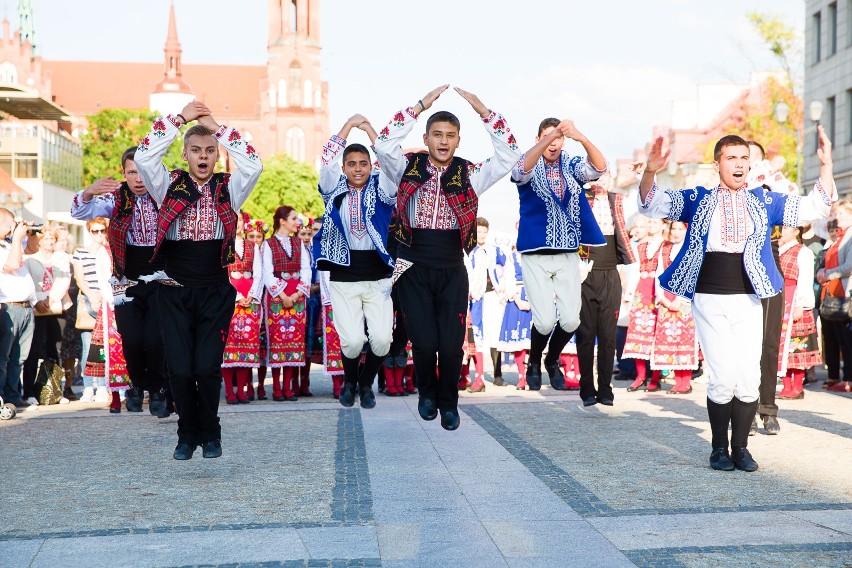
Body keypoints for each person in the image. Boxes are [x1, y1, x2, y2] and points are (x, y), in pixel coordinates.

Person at [638, 128, 836, 472]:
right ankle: (718, 449)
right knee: (723, 376)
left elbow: (813, 206)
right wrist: (651, 171)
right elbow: (652, 203)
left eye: (745, 158)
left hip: (749, 298)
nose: (740, 164)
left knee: (748, 377)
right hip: (709, 297)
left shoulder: (764, 199)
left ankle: (740, 448)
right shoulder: (698, 198)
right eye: (731, 158)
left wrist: (826, 164)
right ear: (718, 165)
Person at [373, 85, 519, 430]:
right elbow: (382, 143)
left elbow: (510, 154)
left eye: (450, 135)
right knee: (423, 342)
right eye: (436, 134)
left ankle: (449, 403)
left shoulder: (469, 174)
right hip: (412, 263)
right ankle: (427, 394)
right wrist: (420, 106)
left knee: (451, 346)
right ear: (425, 138)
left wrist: (483, 110)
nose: (443, 141)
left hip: (452, 265)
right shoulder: (405, 167)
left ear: (458, 140)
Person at [135, 100, 262, 459]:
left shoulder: (229, 188)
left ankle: (211, 433)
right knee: (179, 368)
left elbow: (254, 163)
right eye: (196, 151)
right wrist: (179, 119)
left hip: (214, 289)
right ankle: (186, 434)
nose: (203, 157)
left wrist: (218, 127)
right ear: (186, 154)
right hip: (174, 290)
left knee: (206, 367)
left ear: (217, 155)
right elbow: (144, 158)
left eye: (209, 151)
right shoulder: (167, 185)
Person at [71, 148, 171, 417]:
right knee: (132, 338)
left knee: (154, 338)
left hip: (160, 277)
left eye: (143, 171)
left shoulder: (165, 196)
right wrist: (90, 191)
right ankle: (137, 384)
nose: (138, 179)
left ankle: (158, 389)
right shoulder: (115, 198)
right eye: (131, 172)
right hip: (126, 279)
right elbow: (79, 212)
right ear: (124, 174)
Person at [510, 117, 607, 391]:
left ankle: (552, 360)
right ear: (538, 138)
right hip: (535, 252)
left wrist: (579, 136)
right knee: (543, 320)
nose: (553, 143)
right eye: (548, 137)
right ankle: (533, 361)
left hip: (566, 251)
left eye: (558, 138)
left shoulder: (572, 164)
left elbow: (600, 167)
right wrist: (545, 140)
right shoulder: (529, 162)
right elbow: (520, 172)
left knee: (571, 319)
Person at [315, 114, 396, 408]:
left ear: (370, 165)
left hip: (378, 276)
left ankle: (365, 383)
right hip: (343, 275)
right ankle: (350, 381)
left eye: (363, 163)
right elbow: (325, 161)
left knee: (382, 340)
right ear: (344, 167)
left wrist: (370, 131)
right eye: (352, 164)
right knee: (351, 341)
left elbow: (390, 163)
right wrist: (347, 127)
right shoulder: (333, 190)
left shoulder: (383, 189)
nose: (358, 169)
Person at [576, 171, 636, 406]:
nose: (600, 181)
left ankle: (605, 389)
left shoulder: (618, 200)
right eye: (596, 176)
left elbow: (642, 200)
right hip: (585, 271)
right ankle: (587, 388)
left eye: (605, 176)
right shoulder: (580, 198)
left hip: (610, 271)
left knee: (608, 336)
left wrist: (641, 173)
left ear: (610, 178)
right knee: (586, 334)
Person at [262, 206, 311, 402]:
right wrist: (283, 295)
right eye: (293, 218)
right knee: (278, 341)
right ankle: (276, 387)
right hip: (277, 296)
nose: (296, 222)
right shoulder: (268, 244)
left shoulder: (299, 243)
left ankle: (288, 387)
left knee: (294, 341)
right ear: (282, 221)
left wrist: (298, 293)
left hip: (297, 294)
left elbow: (306, 269)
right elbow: (267, 272)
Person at [22, 227, 72, 405]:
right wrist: (37, 301)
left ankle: (56, 391)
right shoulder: (29, 259)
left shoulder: (62, 258)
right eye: (47, 238)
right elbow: (27, 281)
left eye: (53, 238)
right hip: (36, 307)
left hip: (56, 305)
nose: (51, 241)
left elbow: (64, 280)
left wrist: (51, 299)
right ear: (40, 241)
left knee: (56, 349)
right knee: (33, 349)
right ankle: (28, 392)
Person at [651, 221, 698, 393]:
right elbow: (659, 273)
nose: (677, 232)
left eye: (680, 229)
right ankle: (677, 380)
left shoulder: (692, 249)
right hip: (666, 296)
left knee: (684, 339)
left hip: (683, 299)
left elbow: (692, 274)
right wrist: (661, 297)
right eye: (674, 229)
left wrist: (680, 299)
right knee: (670, 339)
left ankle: (685, 381)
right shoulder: (665, 249)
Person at [222, 214, 264, 404]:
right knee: (228, 346)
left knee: (247, 346)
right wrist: (237, 297)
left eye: (238, 220)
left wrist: (251, 295)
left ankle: (241, 391)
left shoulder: (252, 246)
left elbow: (259, 272)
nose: (235, 224)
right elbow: (222, 274)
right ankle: (230, 391)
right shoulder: (221, 245)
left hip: (250, 297)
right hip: (230, 298)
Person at [776, 225, 820, 399]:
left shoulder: (803, 252)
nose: (782, 232)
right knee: (782, 345)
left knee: (797, 344)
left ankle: (797, 386)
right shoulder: (778, 250)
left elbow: (805, 279)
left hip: (794, 299)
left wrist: (800, 304)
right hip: (780, 300)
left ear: (796, 231)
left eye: (786, 228)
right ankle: (786, 386)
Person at [623, 217, 666, 392]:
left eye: (656, 223)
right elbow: (634, 271)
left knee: (657, 335)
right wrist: (629, 293)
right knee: (638, 334)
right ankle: (640, 376)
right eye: (651, 223)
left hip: (657, 291)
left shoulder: (667, 246)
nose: (653, 225)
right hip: (642, 291)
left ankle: (655, 377)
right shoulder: (641, 246)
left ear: (664, 225)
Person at [0, 210, 36, 409]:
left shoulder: (9, 243)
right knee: (3, 357)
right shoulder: (6, 246)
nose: (13, 228)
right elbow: (12, 265)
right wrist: (17, 239)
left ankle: (14, 396)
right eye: (10, 224)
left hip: (25, 307)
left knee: (19, 358)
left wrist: (31, 233)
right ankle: (2, 397)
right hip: (9, 307)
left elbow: (32, 249)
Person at [817, 200, 852, 393]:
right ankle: (845, 377)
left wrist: (828, 274)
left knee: (848, 339)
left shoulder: (850, 236)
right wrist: (822, 271)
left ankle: (849, 378)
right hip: (836, 293)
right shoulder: (840, 237)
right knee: (841, 339)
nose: (836, 217)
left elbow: (849, 266)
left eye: (840, 214)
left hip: (846, 294)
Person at [496, 247, 533, 390]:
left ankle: (532, 374)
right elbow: (508, 279)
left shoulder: (536, 255)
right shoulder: (512, 257)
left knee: (533, 340)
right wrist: (517, 299)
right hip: (517, 298)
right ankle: (522, 376)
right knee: (518, 341)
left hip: (534, 296)